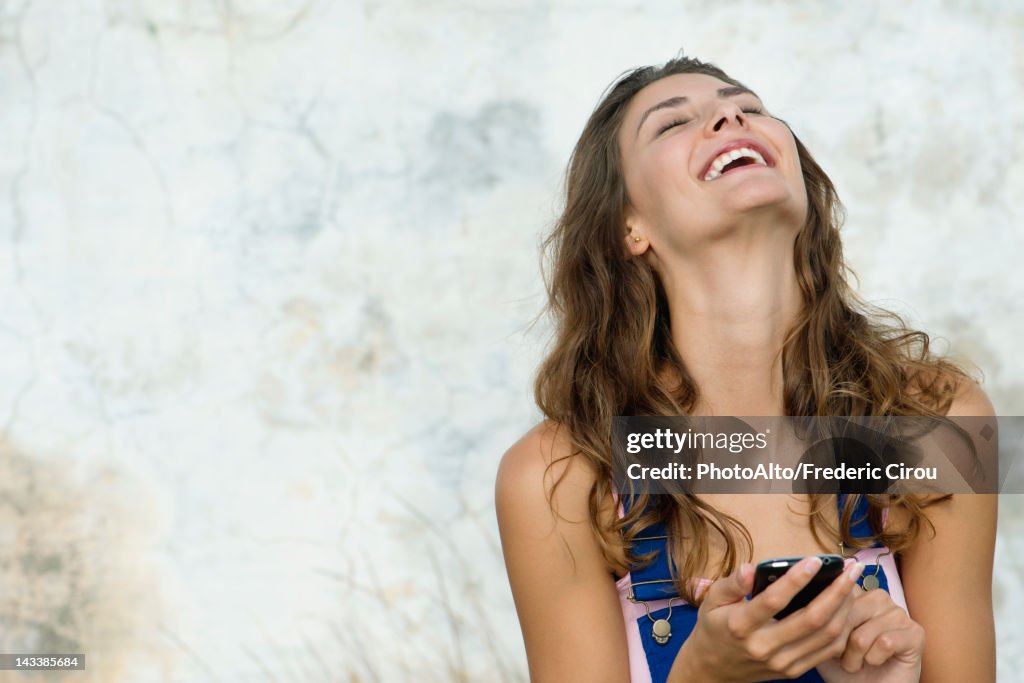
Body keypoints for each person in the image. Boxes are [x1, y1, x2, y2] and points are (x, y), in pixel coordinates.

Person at [494, 54, 996, 683]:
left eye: (750, 108)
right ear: (630, 225)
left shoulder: (933, 423)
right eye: (672, 124)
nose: (731, 116)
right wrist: (703, 675)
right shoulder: (560, 477)